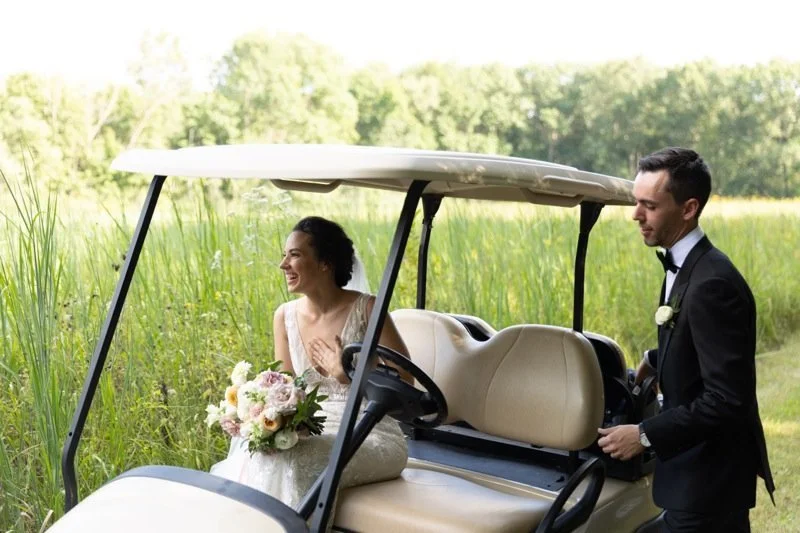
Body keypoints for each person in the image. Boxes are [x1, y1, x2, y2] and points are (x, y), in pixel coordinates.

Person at [597, 147, 774, 532]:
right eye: (636, 203)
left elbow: (727, 399)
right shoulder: (686, 264)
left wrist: (643, 435)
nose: (635, 215)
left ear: (688, 208)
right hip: (691, 478)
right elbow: (699, 341)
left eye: (649, 205)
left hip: (709, 482)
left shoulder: (713, 283)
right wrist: (654, 358)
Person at [210, 216, 411, 511]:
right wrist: (260, 415)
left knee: (292, 458)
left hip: (369, 432)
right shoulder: (285, 316)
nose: (283, 265)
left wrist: (350, 374)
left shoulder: (368, 308)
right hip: (311, 430)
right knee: (258, 449)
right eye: (284, 255)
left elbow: (407, 384)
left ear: (325, 263)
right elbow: (285, 390)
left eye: (295, 255)